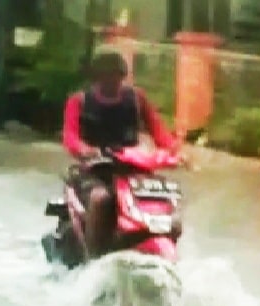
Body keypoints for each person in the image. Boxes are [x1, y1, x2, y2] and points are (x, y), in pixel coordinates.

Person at [61, 47, 182, 259]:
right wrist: (87, 151)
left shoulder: (137, 99)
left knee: (165, 197)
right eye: (106, 76)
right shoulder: (79, 101)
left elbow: (160, 132)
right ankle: (94, 258)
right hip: (95, 170)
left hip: (133, 169)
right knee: (101, 199)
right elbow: (70, 138)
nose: (111, 81)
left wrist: (173, 151)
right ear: (97, 77)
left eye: (115, 75)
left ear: (122, 75)